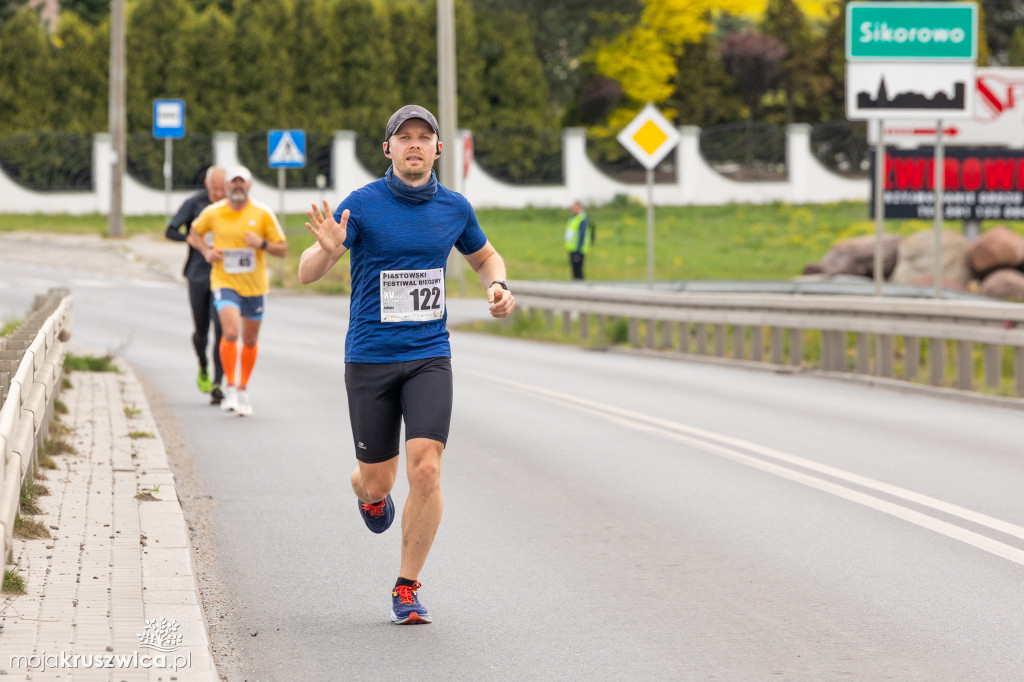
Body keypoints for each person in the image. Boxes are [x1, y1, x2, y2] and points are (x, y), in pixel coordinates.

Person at [298, 104, 515, 625]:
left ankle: (407, 586)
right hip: (370, 357)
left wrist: (498, 286)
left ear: (438, 149)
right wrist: (327, 251)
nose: (414, 145)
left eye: (424, 137)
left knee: (426, 467)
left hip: (428, 357)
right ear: (388, 149)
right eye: (404, 138)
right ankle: (365, 492)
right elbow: (307, 272)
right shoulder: (362, 205)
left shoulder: (455, 208)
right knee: (379, 482)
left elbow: (486, 257)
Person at [187, 165, 287, 417]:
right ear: (227, 186)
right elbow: (194, 233)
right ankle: (230, 387)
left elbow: (282, 248)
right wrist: (207, 251)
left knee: (250, 340)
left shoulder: (262, 213)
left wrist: (261, 244)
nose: (237, 187)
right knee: (230, 331)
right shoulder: (214, 212)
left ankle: (243, 388)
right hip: (224, 281)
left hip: (254, 286)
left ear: (249, 185)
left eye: (242, 183)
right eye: (233, 183)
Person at [166, 166, 228, 404]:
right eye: (215, 188)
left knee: (221, 329)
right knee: (202, 331)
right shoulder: (194, 204)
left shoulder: (232, 207)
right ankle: (203, 364)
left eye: (223, 188)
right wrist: (189, 239)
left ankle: (217, 383)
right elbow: (170, 230)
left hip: (224, 276)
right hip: (197, 274)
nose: (219, 193)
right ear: (206, 185)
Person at [564, 200, 593, 280]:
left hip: (578, 249)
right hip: (572, 248)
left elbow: (582, 235)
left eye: (573, 207)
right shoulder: (573, 217)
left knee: (578, 270)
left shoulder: (581, 219)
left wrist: (578, 249)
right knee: (574, 271)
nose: (572, 209)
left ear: (578, 207)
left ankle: (581, 288)